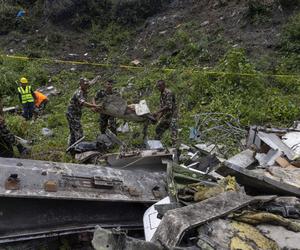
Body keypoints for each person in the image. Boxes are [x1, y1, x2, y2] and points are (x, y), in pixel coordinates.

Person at [66, 76, 100, 148]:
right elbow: (83, 103)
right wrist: (94, 106)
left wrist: (97, 78)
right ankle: (79, 148)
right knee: (79, 132)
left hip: (75, 113)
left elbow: (92, 83)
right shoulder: (79, 93)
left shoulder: (85, 89)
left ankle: (71, 148)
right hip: (72, 114)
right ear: (81, 84)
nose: (87, 86)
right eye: (85, 84)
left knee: (73, 132)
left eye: (87, 84)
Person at [153, 80, 178, 147]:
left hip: (172, 116)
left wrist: (157, 112)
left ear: (164, 85)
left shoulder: (169, 93)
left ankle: (175, 149)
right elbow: (163, 108)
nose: (158, 88)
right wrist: (158, 118)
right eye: (157, 87)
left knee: (173, 133)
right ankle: (157, 146)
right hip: (166, 116)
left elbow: (168, 106)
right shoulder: (162, 94)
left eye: (159, 86)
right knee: (158, 129)